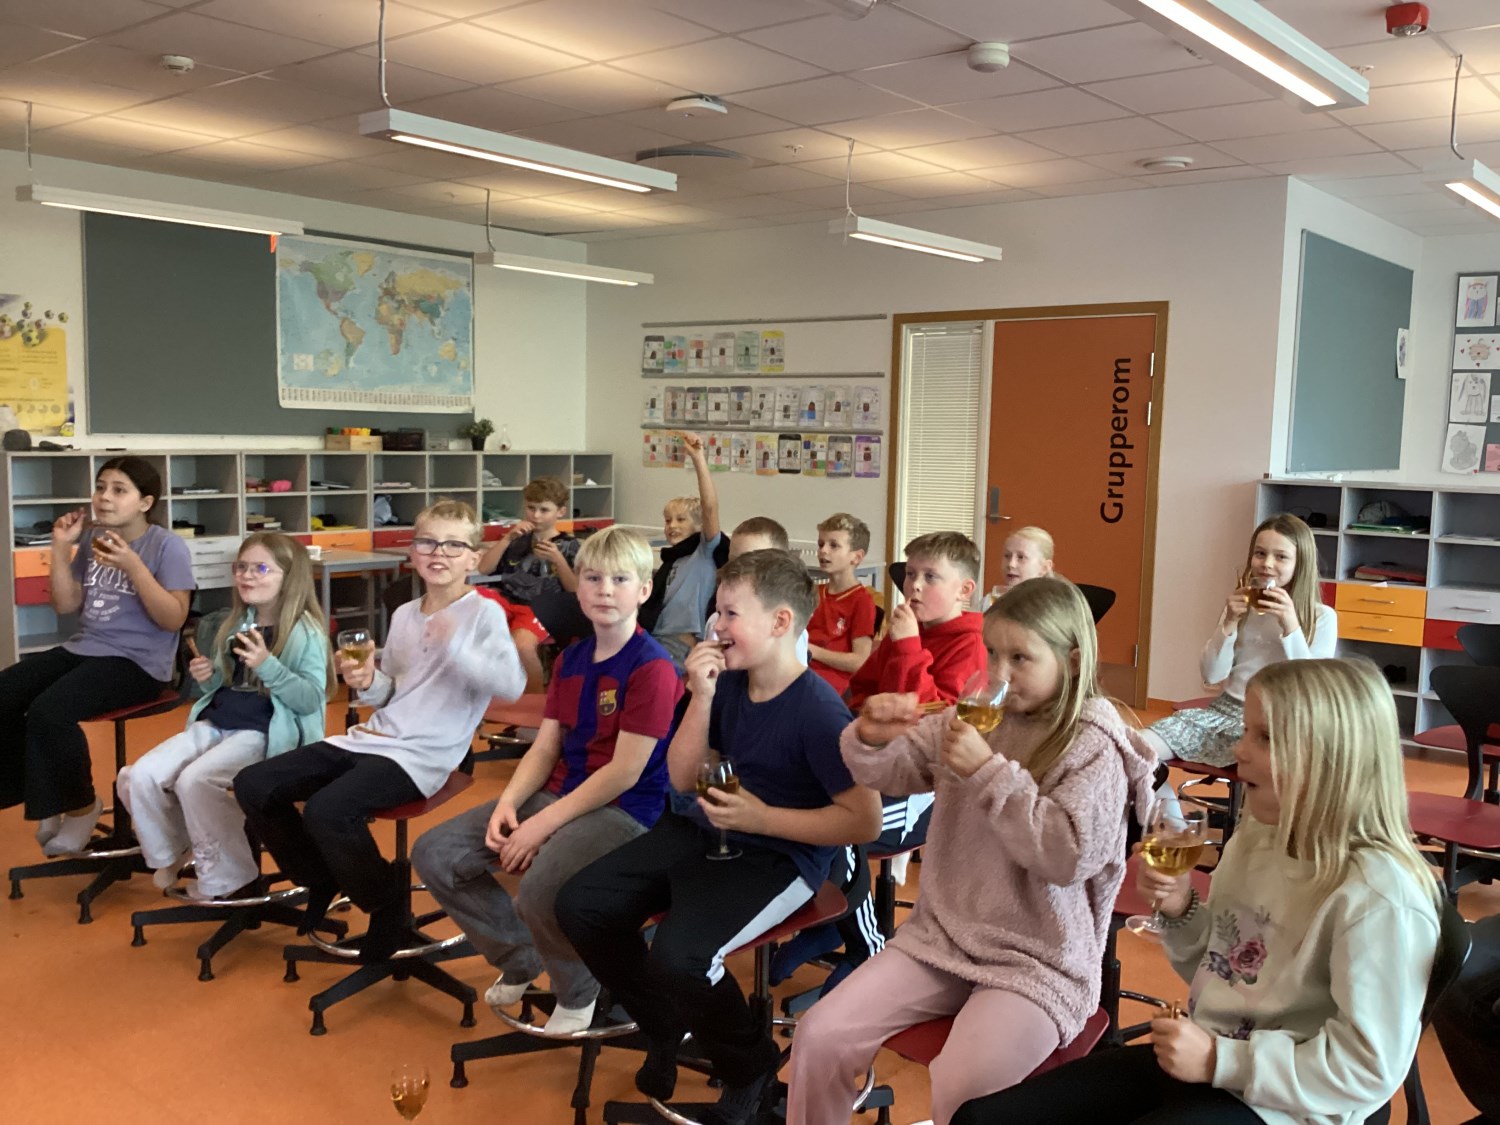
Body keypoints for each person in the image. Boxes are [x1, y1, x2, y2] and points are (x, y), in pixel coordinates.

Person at [954, 657, 1442, 1125]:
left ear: (1332, 760)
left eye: (1265, 738)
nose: (1239, 750)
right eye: (1246, 731)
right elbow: (1222, 971)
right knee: (981, 1118)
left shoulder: (1380, 897)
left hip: (1289, 1108)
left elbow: (1368, 1069)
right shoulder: (1260, 836)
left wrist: (1219, 1060)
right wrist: (1180, 908)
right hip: (1213, 1062)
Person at [785, 578, 1156, 1125]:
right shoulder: (977, 713)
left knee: (964, 1085)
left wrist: (987, 772)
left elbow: (1065, 857)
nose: (1000, 674)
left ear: (1073, 660)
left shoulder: (1092, 746)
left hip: (1040, 960)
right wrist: (871, 736)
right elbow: (892, 771)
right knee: (820, 1034)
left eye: (1020, 658)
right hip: (946, 936)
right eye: (992, 654)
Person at [555, 550, 882, 1125]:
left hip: (781, 853)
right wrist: (701, 696)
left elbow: (864, 822)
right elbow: (684, 777)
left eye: (730, 614)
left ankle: (749, 1064)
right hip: (711, 828)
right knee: (581, 905)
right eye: (717, 612)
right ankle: (668, 1023)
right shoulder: (728, 683)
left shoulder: (819, 712)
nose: (717, 626)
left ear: (780, 622)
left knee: (681, 957)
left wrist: (762, 819)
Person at [411, 527, 682, 1036]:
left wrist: (541, 825)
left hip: (624, 809)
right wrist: (509, 803)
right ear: (578, 588)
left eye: (620, 580)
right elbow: (546, 745)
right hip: (558, 792)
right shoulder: (573, 659)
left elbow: (624, 771)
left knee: (539, 890)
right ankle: (521, 956)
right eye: (593, 578)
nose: (605, 590)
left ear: (643, 590)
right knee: (436, 853)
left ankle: (579, 990)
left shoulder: (653, 668)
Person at [235, 500, 526, 963]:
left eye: (453, 545)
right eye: (427, 542)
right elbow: (393, 691)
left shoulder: (482, 614)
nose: (439, 553)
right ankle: (322, 877)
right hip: (376, 735)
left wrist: (457, 647)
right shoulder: (406, 613)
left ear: (473, 557)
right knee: (254, 783)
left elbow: (512, 686)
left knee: (328, 810)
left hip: (427, 751)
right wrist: (368, 679)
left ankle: (385, 902)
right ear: (412, 552)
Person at [118, 533, 333, 899]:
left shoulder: (304, 632)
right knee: (138, 776)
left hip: (265, 731)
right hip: (218, 722)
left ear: (290, 577)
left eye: (260, 568)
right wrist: (209, 676)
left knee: (195, 781)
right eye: (241, 567)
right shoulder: (238, 622)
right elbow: (225, 684)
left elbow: (311, 699)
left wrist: (268, 665)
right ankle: (176, 850)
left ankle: (229, 879)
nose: (247, 575)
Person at [0, 456, 194, 856]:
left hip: (140, 664)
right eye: (101, 487)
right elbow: (65, 605)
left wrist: (133, 566)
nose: (104, 497)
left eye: (119, 490)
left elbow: (173, 619)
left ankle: (81, 807)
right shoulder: (93, 539)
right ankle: (44, 796)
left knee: (50, 711)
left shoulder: (166, 546)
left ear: (145, 502)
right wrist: (60, 548)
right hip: (86, 647)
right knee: (5, 692)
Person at [1139, 514, 1335, 769]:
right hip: (1224, 713)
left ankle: (1248, 796)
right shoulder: (1242, 606)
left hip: (1280, 723)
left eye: (1281, 557)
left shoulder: (1322, 617)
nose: (1267, 564)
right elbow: (1211, 674)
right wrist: (1229, 624)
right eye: (1260, 554)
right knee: (1132, 747)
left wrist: (1291, 625)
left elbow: (1312, 690)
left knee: (1269, 765)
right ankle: (1162, 798)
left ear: (1300, 563)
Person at [847, 531, 987, 711]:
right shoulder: (905, 628)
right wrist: (866, 710)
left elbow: (938, 715)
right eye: (910, 574)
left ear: (964, 590)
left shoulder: (971, 644)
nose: (915, 585)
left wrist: (908, 646)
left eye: (930, 577)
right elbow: (863, 687)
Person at [479, 476, 580, 686]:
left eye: (544, 510)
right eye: (531, 508)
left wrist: (558, 560)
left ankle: (535, 699)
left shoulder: (569, 545)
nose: (536, 515)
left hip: (543, 607)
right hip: (509, 601)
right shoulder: (517, 538)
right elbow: (484, 568)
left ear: (560, 512)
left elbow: (575, 589)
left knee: (522, 646)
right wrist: (507, 538)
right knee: (472, 624)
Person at [642, 432, 727, 665]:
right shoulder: (670, 561)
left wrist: (698, 459)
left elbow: (710, 507)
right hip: (653, 637)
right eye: (668, 520)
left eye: (681, 520)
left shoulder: (704, 552)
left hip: (677, 645)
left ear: (699, 525)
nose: (672, 526)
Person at [807, 513, 877, 698]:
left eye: (834, 545)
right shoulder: (813, 592)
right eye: (821, 544)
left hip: (832, 686)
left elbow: (859, 661)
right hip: (802, 672)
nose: (823, 551)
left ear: (856, 557)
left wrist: (813, 651)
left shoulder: (862, 601)